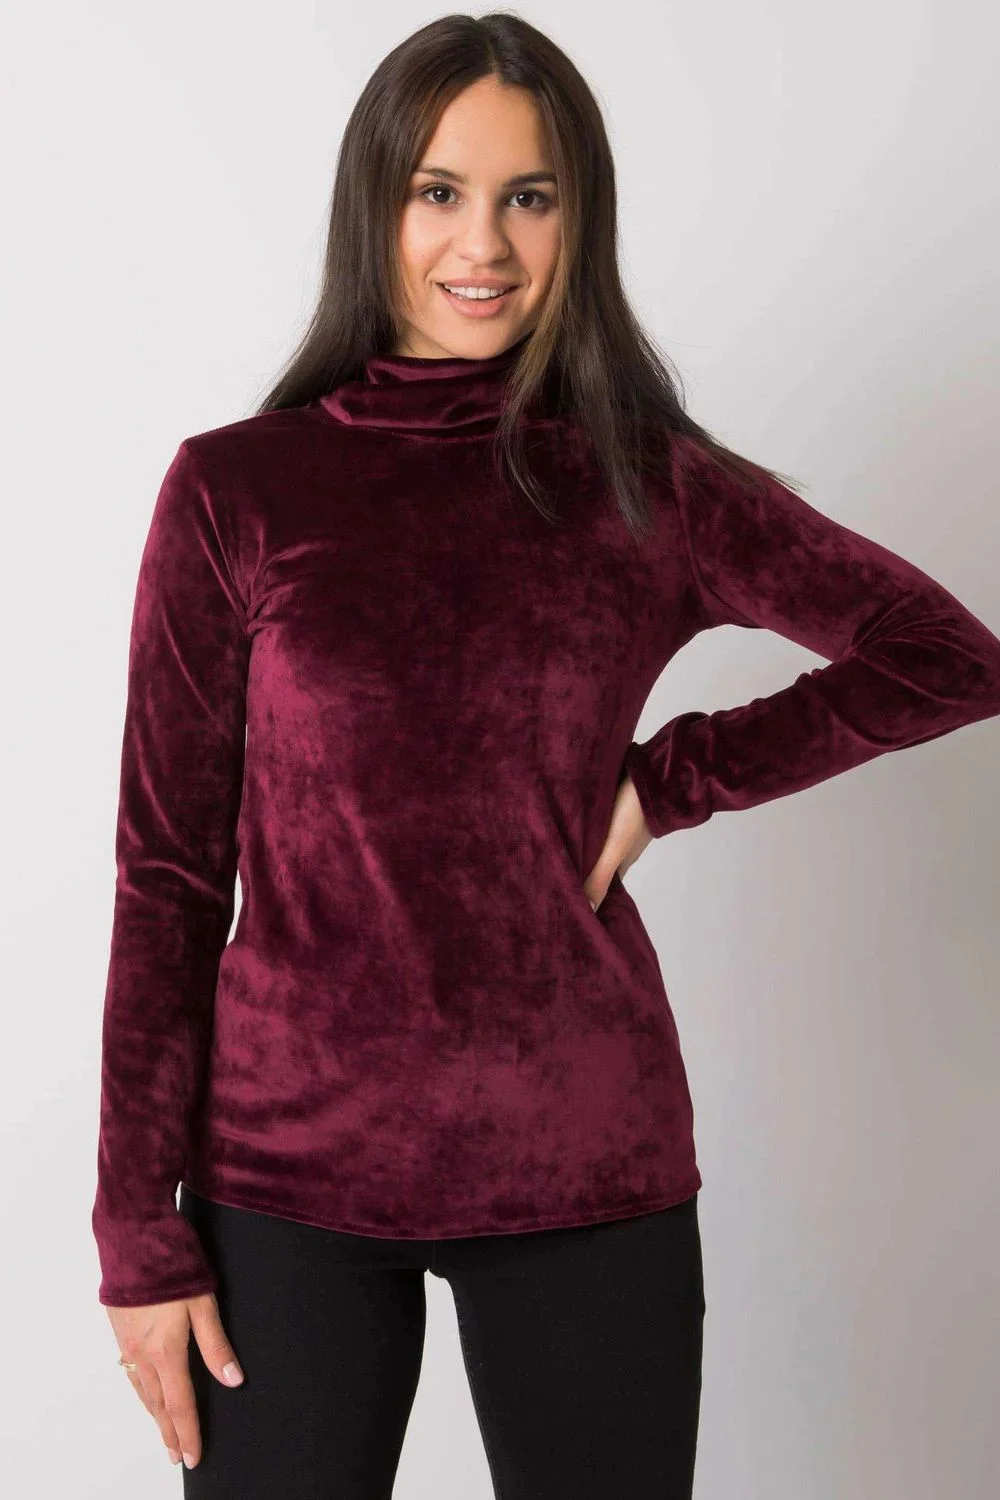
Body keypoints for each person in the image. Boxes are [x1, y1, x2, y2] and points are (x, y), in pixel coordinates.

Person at [91, 13, 1000, 1499]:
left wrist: (668, 781)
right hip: (283, 1173)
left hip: (579, 1155)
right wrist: (138, 1234)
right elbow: (169, 874)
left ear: (583, 218)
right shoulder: (237, 491)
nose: (485, 245)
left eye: (531, 196)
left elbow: (948, 655)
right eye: (438, 191)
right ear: (374, 206)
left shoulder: (647, 481)